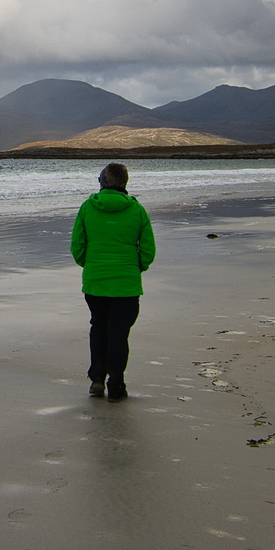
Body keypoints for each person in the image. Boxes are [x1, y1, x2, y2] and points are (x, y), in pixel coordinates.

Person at [69, 162, 155, 401]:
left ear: (103, 182)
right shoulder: (137, 211)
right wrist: (135, 268)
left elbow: (77, 246)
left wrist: (91, 264)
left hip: (96, 282)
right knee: (118, 334)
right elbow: (148, 250)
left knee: (99, 328)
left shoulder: (87, 208)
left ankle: (97, 380)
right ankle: (116, 384)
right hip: (126, 285)